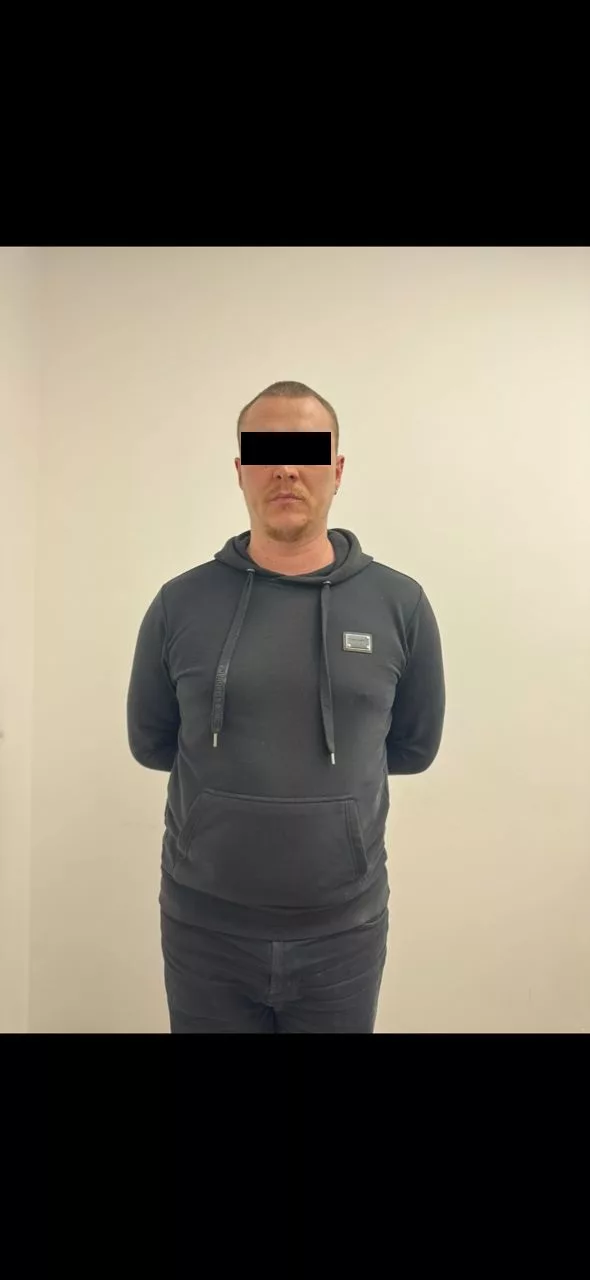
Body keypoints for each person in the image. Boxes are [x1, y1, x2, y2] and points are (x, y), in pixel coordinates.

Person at [126, 381, 446, 1032]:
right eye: (266, 451)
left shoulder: (400, 604)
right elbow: (152, 741)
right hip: (203, 933)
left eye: (306, 451)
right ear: (241, 470)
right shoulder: (179, 604)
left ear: (338, 469)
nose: (287, 469)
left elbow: (414, 747)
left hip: (344, 935)